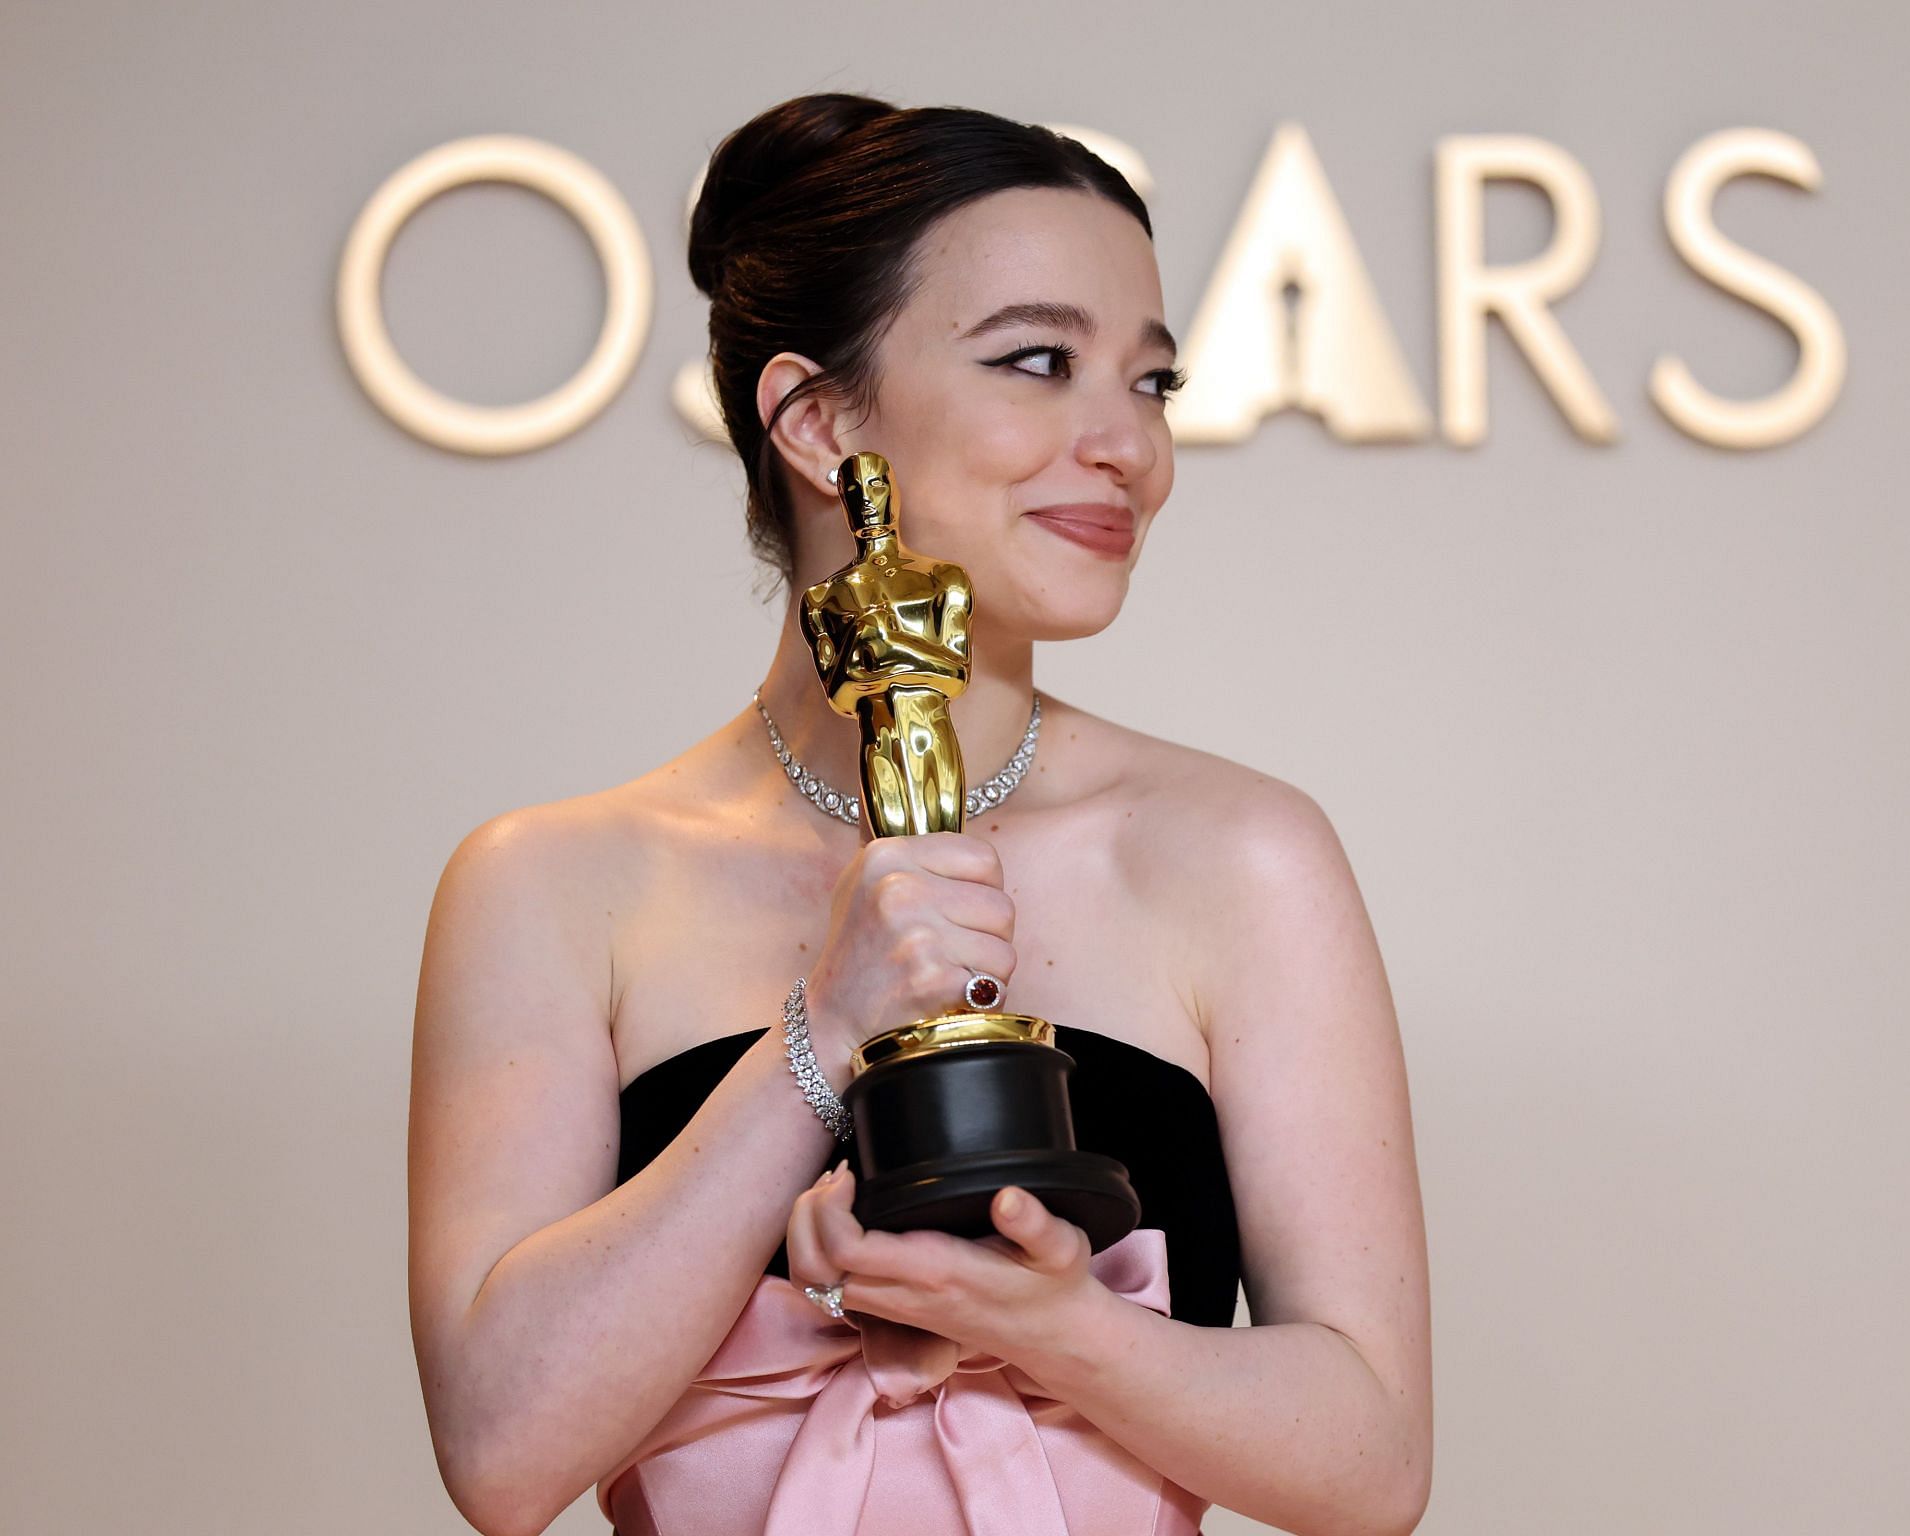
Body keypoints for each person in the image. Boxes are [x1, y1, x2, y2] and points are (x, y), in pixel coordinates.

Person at [407, 93, 1432, 1536]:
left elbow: (1375, 1463)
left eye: (1151, 383)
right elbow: (502, 1456)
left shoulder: (1243, 858)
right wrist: (820, 1037)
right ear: (818, 421)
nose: (1127, 446)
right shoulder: (555, 888)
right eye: (1037, 362)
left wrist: (1044, 1324)